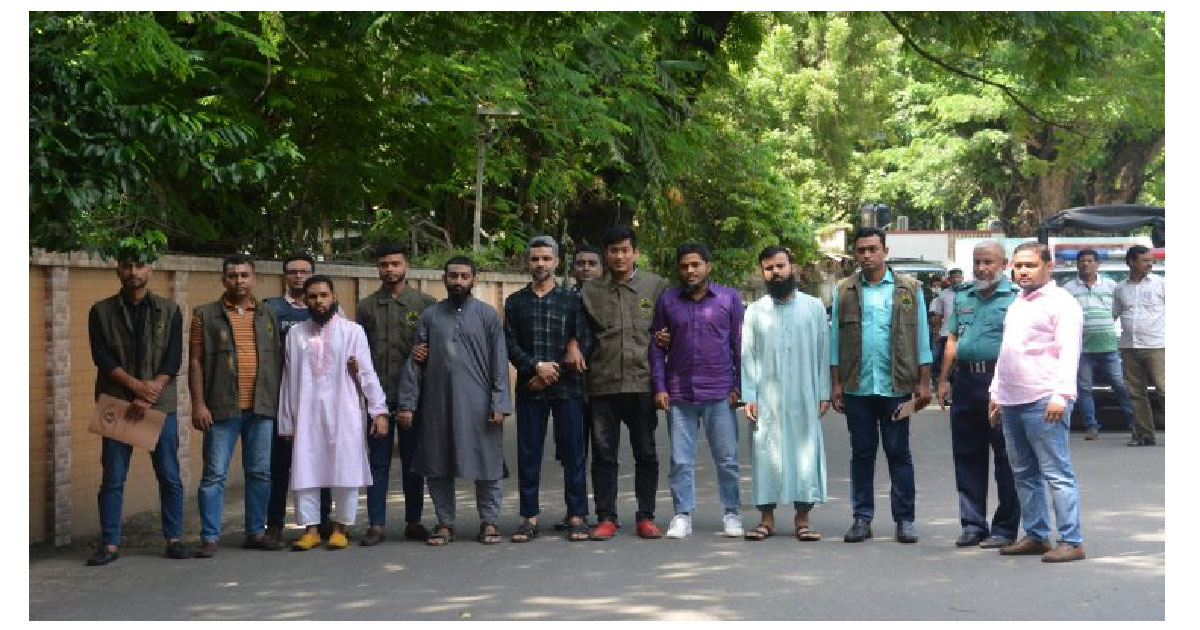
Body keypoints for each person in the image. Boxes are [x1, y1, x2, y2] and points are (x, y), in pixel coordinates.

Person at [396, 257, 511, 546]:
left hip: (480, 405)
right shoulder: (431, 315)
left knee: (488, 464)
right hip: (437, 404)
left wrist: (499, 403)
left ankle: (489, 521)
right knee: (437, 463)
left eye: (464, 276)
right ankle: (445, 523)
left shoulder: (487, 314)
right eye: (453, 276)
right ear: (444, 279)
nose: (458, 281)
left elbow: (499, 361)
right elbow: (416, 360)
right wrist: (408, 403)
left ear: (474, 279)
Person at [85, 249, 187, 565]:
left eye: (140, 265)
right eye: (127, 266)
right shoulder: (100, 311)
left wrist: (149, 392)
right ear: (118, 270)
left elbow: (173, 357)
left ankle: (174, 539)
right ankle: (109, 544)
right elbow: (102, 358)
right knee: (113, 478)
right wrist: (136, 388)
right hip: (117, 401)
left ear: (151, 270)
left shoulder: (170, 310)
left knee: (169, 475)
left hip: (160, 404)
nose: (133, 272)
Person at [831, 227, 932, 544]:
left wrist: (924, 383)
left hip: (896, 387)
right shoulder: (844, 290)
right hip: (857, 387)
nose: (866, 255)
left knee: (899, 453)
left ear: (885, 251)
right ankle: (862, 518)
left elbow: (922, 337)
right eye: (861, 250)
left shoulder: (909, 289)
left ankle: (905, 520)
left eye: (873, 249)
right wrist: (836, 384)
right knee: (862, 454)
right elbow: (835, 342)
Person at [990, 242, 1086, 562]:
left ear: (1048, 266)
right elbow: (1008, 351)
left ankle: (1071, 540)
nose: (1022, 271)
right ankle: (1036, 534)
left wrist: (1061, 396)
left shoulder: (1062, 303)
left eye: (1030, 265)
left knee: (1056, 473)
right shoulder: (1018, 302)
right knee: (1023, 472)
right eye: (1018, 266)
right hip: (1012, 400)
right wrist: (996, 392)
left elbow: (1069, 351)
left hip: (1044, 400)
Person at [278, 275, 390, 550]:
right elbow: (288, 379)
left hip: (344, 411)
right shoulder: (296, 334)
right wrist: (286, 421)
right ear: (305, 300)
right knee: (305, 468)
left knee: (345, 468)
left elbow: (366, 372)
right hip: (306, 413)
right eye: (313, 296)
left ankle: (341, 529)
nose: (319, 301)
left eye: (323, 295)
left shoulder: (353, 332)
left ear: (334, 298)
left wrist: (378, 411)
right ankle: (310, 530)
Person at [189, 254, 285, 557]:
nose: (239, 280)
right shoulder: (204, 315)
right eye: (233, 276)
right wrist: (198, 404)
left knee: (260, 473)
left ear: (254, 279)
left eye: (244, 275)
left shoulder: (268, 314)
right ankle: (209, 537)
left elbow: (278, 359)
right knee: (214, 475)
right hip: (221, 408)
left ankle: (255, 532)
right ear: (224, 280)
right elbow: (195, 361)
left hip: (262, 407)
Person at [649, 243, 744, 539]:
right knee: (680, 460)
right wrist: (660, 386)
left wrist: (740, 385)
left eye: (695, 265)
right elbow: (656, 346)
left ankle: (732, 513)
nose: (690, 271)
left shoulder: (728, 299)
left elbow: (739, 345)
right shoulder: (668, 301)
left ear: (708, 266)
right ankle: (682, 515)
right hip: (680, 393)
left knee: (727, 459)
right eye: (684, 266)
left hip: (720, 392)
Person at [581, 226, 669, 540]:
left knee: (646, 453)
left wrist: (668, 338)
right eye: (613, 251)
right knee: (604, 455)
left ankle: (646, 516)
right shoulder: (590, 291)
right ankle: (606, 517)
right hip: (602, 385)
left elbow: (670, 326)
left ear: (635, 253)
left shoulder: (656, 286)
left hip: (642, 384)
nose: (619, 256)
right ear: (605, 255)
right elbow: (580, 331)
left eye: (625, 250)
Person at [504, 236, 594, 543]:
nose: (540, 264)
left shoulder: (572, 301)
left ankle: (577, 516)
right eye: (535, 259)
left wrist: (551, 372)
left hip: (568, 389)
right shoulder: (515, 302)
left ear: (556, 262)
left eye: (546, 258)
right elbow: (510, 344)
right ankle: (529, 518)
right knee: (528, 453)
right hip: (530, 388)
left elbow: (584, 341)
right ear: (527, 262)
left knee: (573, 454)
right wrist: (535, 367)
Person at [740, 247, 831, 542]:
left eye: (780, 266)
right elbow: (748, 355)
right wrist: (749, 395)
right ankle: (766, 520)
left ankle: (803, 520)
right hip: (766, 397)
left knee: (805, 453)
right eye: (769, 268)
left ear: (793, 267)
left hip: (805, 392)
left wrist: (824, 392)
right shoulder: (755, 311)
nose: (775, 273)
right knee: (765, 453)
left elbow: (823, 353)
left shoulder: (814, 307)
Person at [936, 241, 1020, 549]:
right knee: (967, 455)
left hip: (1000, 381)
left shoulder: (1015, 298)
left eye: (988, 262)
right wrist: (943, 379)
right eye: (977, 262)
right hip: (966, 381)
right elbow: (952, 338)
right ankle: (972, 524)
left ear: (1003, 264)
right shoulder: (963, 296)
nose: (982, 268)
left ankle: (1005, 528)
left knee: (1005, 458)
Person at [355, 242, 437, 545]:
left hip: (415, 399)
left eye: (395, 264)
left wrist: (428, 352)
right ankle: (376, 524)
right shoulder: (366, 307)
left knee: (413, 462)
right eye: (384, 264)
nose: (389, 269)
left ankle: (414, 521)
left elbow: (438, 348)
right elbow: (360, 351)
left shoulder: (426, 304)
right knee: (377, 462)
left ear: (406, 266)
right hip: (379, 397)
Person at [263, 253, 331, 545]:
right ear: (285, 276)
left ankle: (323, 521)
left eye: (305, 272)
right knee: (278, 466)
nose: (299, 277)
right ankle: (274, 524)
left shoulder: (328, 310)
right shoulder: (270, 309)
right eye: (293, 272)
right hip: (279, 396)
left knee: (321, 462)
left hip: (318, 401)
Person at [1062, 249, 1136, 440]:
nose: (1086, 264)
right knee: (1084, 388)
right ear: (1077, 264)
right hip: (1082, 347)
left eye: (1090, 261)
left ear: (1097, 264)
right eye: (1082, 261)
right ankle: (1091, 426)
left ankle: (1135, 424)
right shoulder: (1068, 289)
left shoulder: (1111, 285)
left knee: (1120, 385)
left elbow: (1120, 309)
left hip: (1109, 345)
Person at [1113, 245, 1165, 447]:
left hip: (1157, 345)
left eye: (1151, 260)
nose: (1150, 264)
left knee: (1164, 390)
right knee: (1135, 393)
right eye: (1145, 260)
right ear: (1131, 262)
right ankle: (1145, 435)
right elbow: (1115, 313)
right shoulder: (1120, 288)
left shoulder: (1161, 284)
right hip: (1129, 346)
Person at [929, 268, 964, 387]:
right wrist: (936, 332)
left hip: (963, 334)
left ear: (962, 278)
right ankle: (944, 382)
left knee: (959, 362)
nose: (956, 280)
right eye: (953, 277)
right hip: (946, 334)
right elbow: (938, 315)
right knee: (947, 361)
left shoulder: (967, 293)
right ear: (949, 279)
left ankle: (956, 384)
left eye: (958, 277)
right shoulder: (943, 295)